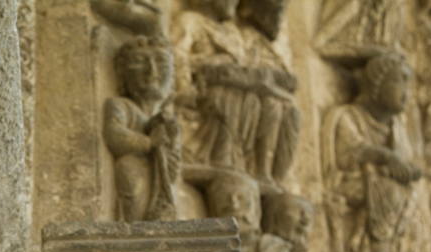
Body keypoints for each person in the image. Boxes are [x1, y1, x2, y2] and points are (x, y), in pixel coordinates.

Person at [172, 0, 299, 181]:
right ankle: (221, 156)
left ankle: (256, 169)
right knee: (227, 96)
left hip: (232, 83)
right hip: (205, 86)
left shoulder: (232, 32)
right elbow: (177, 54)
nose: (233, 3)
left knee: (261, 102)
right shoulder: (191, 20)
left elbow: (244, 65)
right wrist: (188, 82)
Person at [322, 53, 426, 252]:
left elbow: (404, 160)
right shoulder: (349, 116)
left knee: (406, 188)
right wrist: (385, 157)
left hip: (377, 184)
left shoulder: (396, 128)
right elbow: (349, 153)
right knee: (387, 183)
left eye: (407, 84)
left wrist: (410, 169)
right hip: (349, 183)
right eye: (396, 81)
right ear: (376, 84)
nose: (405, 92)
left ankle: (397, 247)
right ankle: (379, 247)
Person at [104, 36, 180, 221]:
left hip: (161, 185)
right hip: (134, 173)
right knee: (129, 167)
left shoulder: (166, 120)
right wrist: (149, 142)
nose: (151, 70)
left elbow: (174, 164)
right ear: (122, 74)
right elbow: (113, 133)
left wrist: (171, 146)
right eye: (138, 61)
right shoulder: (121, 105)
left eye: (161, 61)